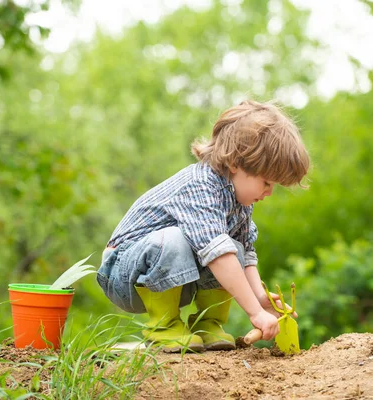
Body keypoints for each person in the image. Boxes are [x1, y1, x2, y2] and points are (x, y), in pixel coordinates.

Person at [97, 100, 310, 353]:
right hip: (123, 275)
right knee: (196, 244)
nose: (269, 192)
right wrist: (254, 313)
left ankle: (207, 325)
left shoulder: (238, 198)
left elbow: (245, 255)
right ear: (235, 164)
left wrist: (260, 299)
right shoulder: (200, 186)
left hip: (176, 279)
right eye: (266, 182)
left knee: (234, 247)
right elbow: (218, 256)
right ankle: (163, 327)